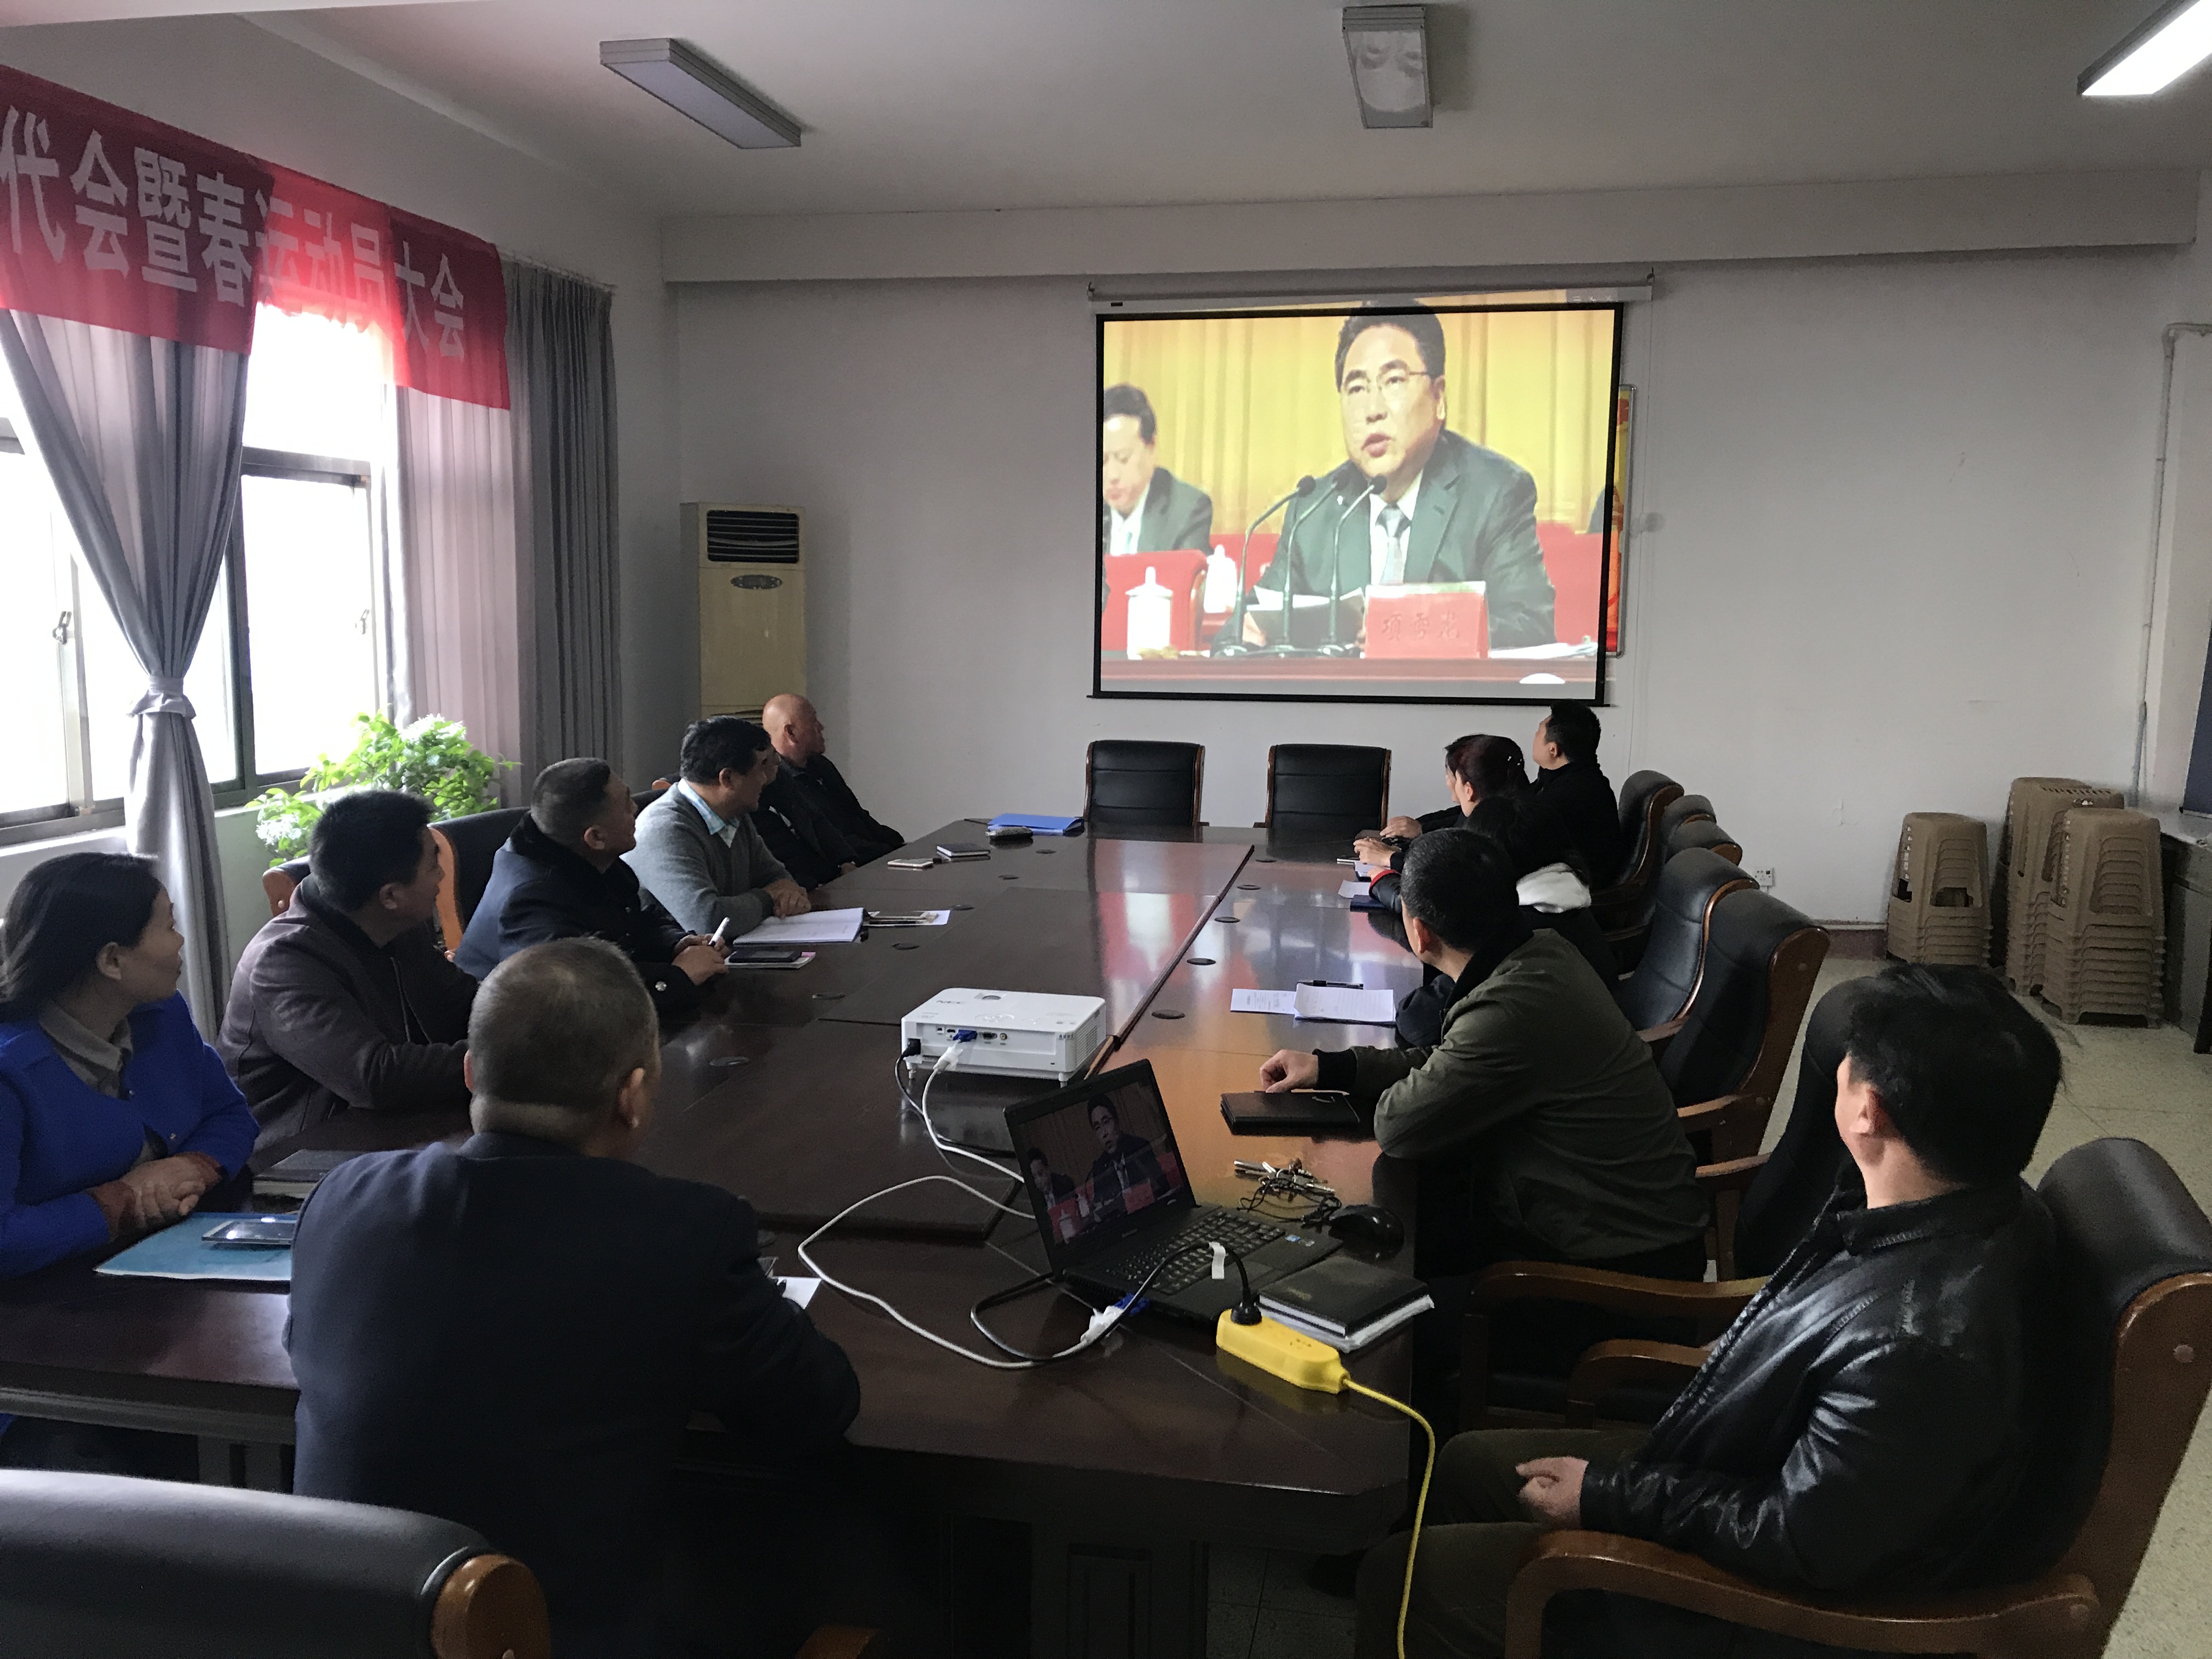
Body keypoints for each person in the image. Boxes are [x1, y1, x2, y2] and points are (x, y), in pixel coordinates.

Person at [1352, 962, 2067, 1659]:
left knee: (1402, 1579)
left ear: (1866, 1111)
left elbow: (1800, 1543)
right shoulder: (1949, 1207)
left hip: (1738, 1609)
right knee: (1466, 1464)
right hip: (1748, 1465)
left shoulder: (1920, 1347)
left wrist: (1606, 1500)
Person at [288, 938, 861, 1657]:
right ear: (632, 1096)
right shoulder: (685, 1234)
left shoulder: (342, 1199)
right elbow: (818, 1408)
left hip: (348, 1636)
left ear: (471, 1073)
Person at [1257, 831, 1703, 1285]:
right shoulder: (1541, 950)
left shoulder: (1509, 1009)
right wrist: (1333, 1068)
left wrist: (1393, 1084)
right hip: (1616, 1220)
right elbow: (1450, 1060)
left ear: (1419, 932)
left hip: (1613, 1267)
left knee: (1375, 1276)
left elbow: (1398, 1127)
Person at [0, 853, 257, 1279]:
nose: (180, 941)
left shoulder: (160, 1014)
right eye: (169, 927)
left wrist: (189, 1166)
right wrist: (122, 1203)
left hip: (161, 1265)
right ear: (112, 961)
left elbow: (230, 1115)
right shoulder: (11, 1069)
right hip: (48, 1300)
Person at [1244, 305, 1554, 651]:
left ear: (1438, 398)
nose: (1372, 410)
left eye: (1393, 381)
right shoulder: (1313, 510)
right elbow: (1243, 626)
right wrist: (1248, 635)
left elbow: (1530, 626)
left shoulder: (1494, 492)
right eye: (1356, 388)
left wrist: (1402, 633)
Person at [222, 790, 477, 1146]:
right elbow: (374, 1076)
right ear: (390, 896)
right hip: (297, 1154)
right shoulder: (284, 962)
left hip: (391, 1127)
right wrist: (500, 1060)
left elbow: (463, 1002)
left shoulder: (396, 927)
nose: (442, 876)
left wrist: (530, 1021)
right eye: (433, 864)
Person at [457, 759, 727, 1022]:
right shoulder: (532, 900)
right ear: (596, 837)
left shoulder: (581, 854)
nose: (635, 809)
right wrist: (677, 978)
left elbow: (631, 922)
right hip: (524, 1034)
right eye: (626, 804)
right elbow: (571, 999)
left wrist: (676, 943)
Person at [630, 717, 814, 933]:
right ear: (728, 778)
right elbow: (708, 920)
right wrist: (769, 897)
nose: (765, 779)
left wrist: (786, 894)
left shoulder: (733, 813)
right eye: (760, 768)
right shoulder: (666, 829)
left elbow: (779, 879)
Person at [759, 694, 904, 868]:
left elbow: (857, 815)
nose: (821, 727)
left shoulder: (821, 765)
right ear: (791, 733)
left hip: (873, 857)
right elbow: (824, 841)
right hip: (847, 867)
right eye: (813, 721)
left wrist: (898, 846)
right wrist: (886, 853)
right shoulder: (776, 783)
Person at [1101, 383, 1215, 563]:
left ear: (1151, 448)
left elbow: (1185, 579)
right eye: (1103, 461)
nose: (1112, 475)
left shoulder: (1186, 510)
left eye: (1123, 458)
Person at [1530, 702, 1625, 884]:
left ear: (1553, 749)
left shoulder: (1572, 794)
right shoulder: (1569, 775)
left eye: (1539, 732)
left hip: (1578, 886)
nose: (1534, 736)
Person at [1085, 1096, 1166, 1220]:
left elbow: (1162, 1188)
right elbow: (1101, 1210)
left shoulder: (1139, 1147)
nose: (1104, 1133)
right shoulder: (1100, 1167)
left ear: (1117, 1122)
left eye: (1106, 1122)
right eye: (1098, 1128)